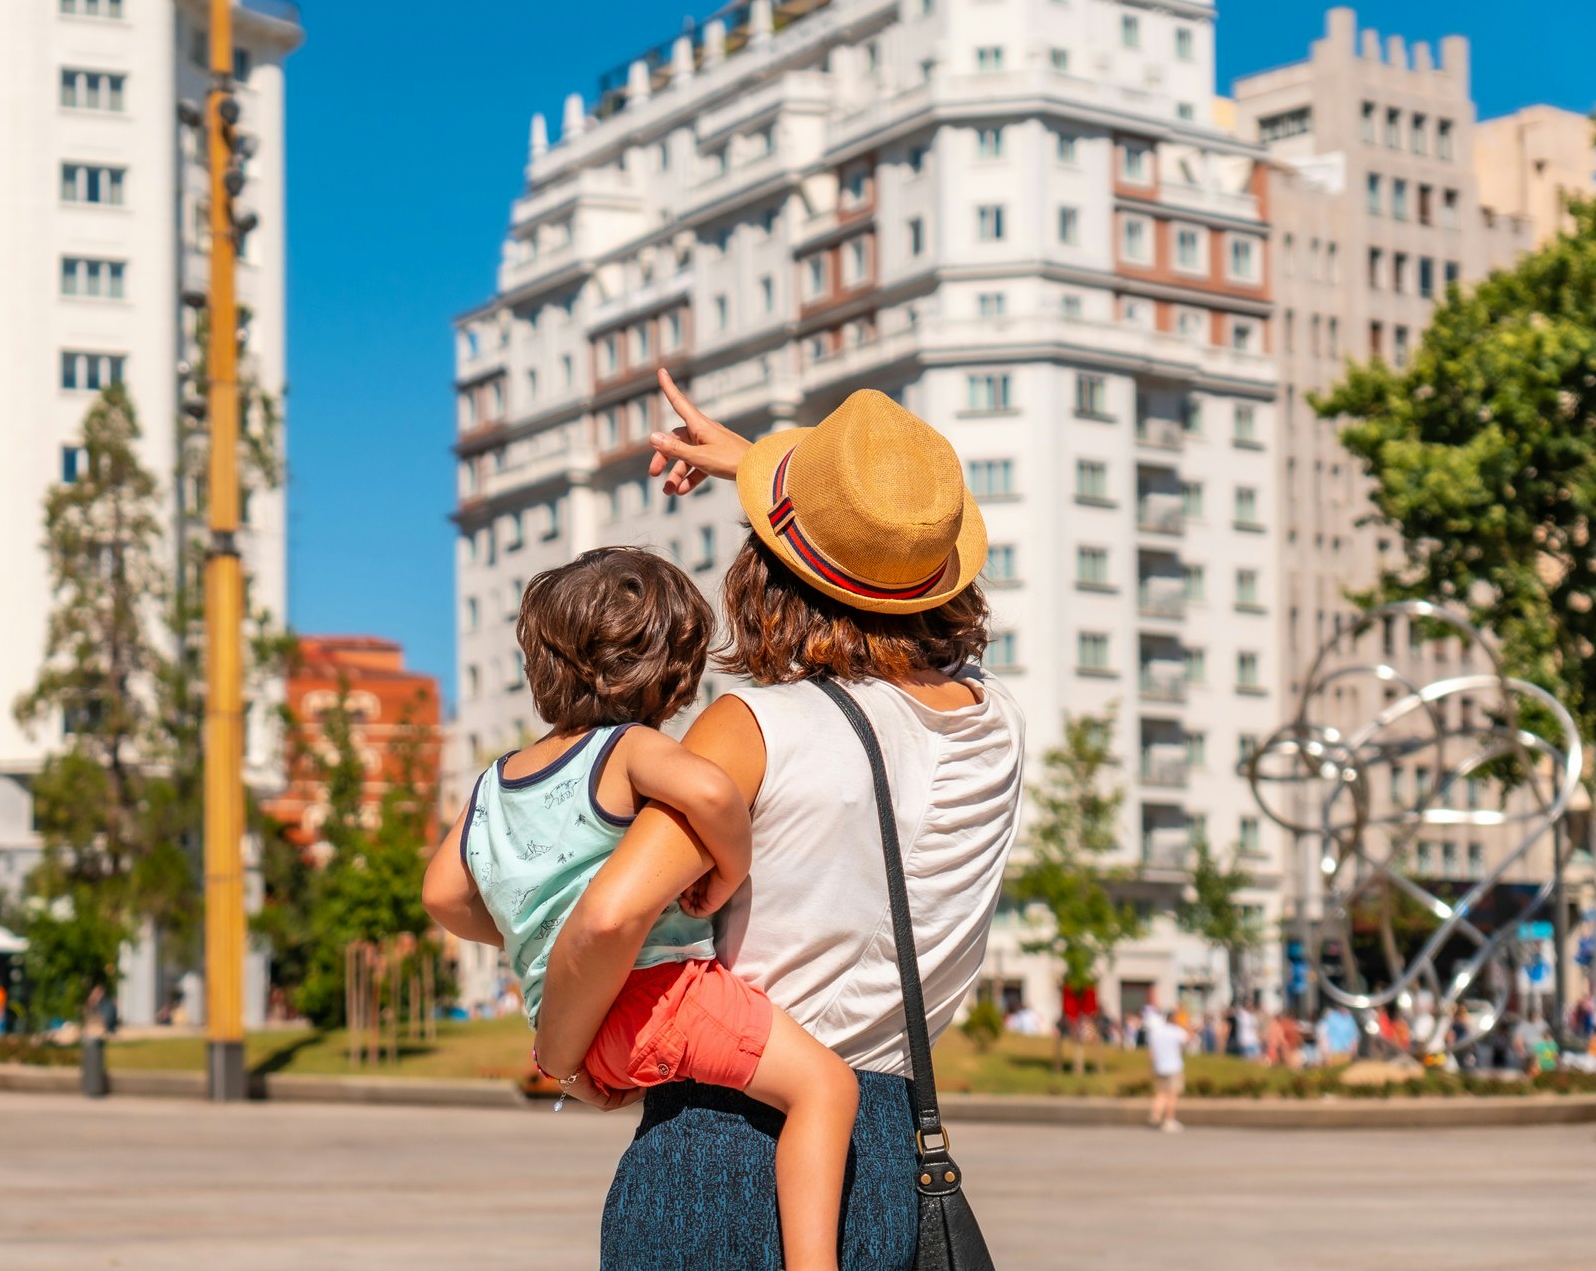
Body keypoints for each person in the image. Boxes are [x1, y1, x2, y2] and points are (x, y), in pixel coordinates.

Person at [528, 379, 1025, 1267]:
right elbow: (878, 547)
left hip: (721, 1148)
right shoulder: (994, 724)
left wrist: (562, 1058)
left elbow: (607, 917)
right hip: (882, 1151)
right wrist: (762, 469)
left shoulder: (753, 728)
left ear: (770, 565)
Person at [423, 547, 862, 1270]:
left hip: (578, 1020)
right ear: (676, 672)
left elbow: (442, 896)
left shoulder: (493, 782)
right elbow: (715, 794)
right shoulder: (625, 750)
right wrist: (728, 870)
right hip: (662, 996)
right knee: (825, 1089)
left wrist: (527, 924)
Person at [1146, 1005, 1190, 1132]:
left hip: (1159, 1066)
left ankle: (1155, 1116)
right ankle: (1169, 1120)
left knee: (1161, 1093)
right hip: (1173, 1066)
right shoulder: (1176, 1031)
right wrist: (1186, 1025)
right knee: (1172, 1095)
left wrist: (1152, 1066)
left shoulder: (1156, 1032)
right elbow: (1188, 1040)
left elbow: (1151, 1052)